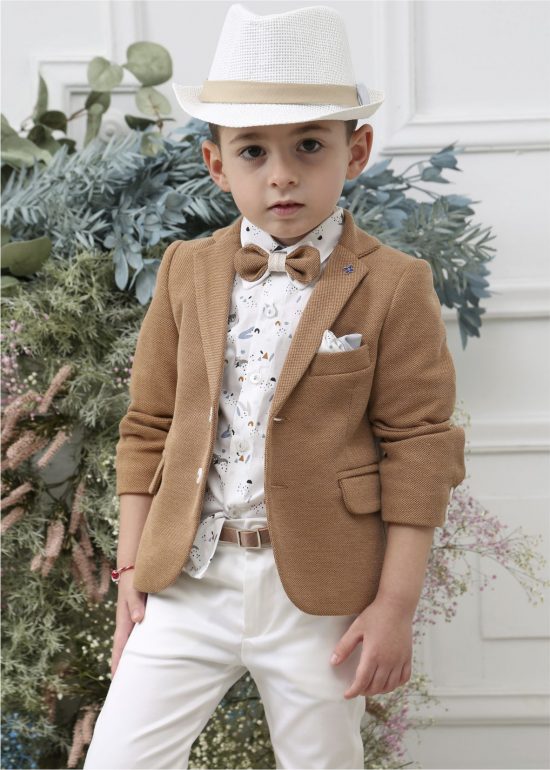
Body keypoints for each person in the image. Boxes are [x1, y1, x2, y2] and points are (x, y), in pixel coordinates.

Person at [83, 3, 466, 769]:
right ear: (216, 164)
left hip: (317, 596)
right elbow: (147, 426)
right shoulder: (186, 270)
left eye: (309, 145)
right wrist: (129, 573)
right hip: (190, 581)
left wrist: (394, 605)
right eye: (253, 150)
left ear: (356, 151)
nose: (282, 174)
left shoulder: (395, 284)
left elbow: (420, 450)